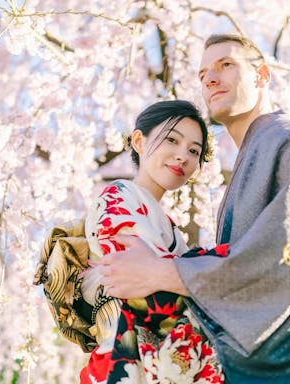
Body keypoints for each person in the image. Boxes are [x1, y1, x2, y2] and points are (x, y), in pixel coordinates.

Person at [92, 34, 290, 383]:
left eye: (226, 65)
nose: (210, 80)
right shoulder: (254, 158)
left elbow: (285, 261)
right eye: (203, 75)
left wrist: (162, 273)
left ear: (261, 76)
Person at [75, 100, 225, 383]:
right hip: (125, 353)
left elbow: (170, 276)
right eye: (172, 140)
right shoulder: (118, 198)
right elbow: (149, 282)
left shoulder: (168, 226)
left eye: (194, 151)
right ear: (139, 141)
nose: (183, 156)